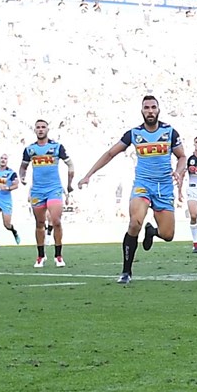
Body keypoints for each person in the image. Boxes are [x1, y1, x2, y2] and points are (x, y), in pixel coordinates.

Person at [78, 95, 186, 285]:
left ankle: (152, 231)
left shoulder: (170, 132)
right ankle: (126, 271)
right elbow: (111, 153)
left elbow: (182, 157)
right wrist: (89, 174)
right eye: (147, 108)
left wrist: (178, 171)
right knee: (135, 222)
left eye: (153, 107)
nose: (150, 111)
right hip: (143, 185)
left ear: (158, 110)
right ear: (142, 110)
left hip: (164, 188)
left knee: (168, 235)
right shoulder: (134, 134)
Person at [21, 119, 74, 267]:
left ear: (47, 129)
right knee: (39, 223)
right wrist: (22, 177)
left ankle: (58, 255)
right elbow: (23, 167)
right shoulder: (30, 150)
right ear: (34, 130)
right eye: (38, 127)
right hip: (37, 191)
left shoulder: (57, 147)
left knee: (56, 221)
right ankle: (40, 255)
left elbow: (70, 163)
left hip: (54, 189)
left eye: (43, 127)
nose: (40, 130)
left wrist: (69, 183)